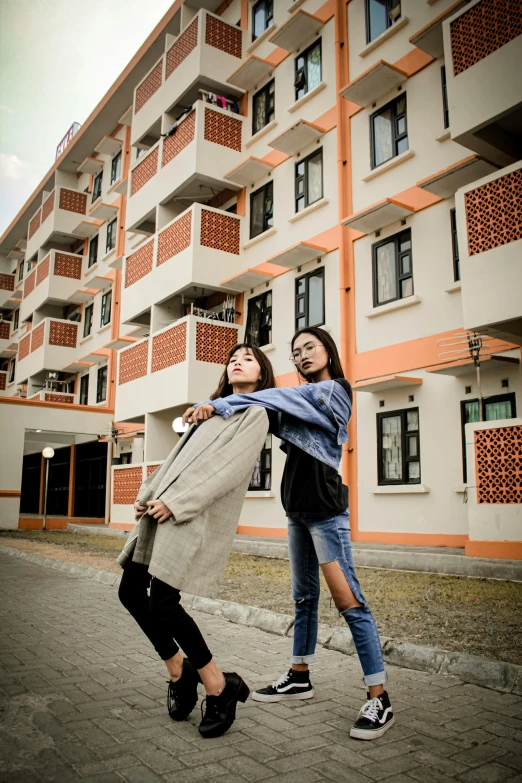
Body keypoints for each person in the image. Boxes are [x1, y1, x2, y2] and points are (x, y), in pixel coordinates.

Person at [183, 327, 394, 740]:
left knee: (349, 602)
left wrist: (219, 400)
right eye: (296, 352)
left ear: (327, 351)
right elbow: (261, 410)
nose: (302, 356)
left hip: (325, 512)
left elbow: (273, 398)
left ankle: (379, 696)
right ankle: (299, 675)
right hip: (297, 510)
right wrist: (220, 407)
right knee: (303, 599)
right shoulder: (293, 402)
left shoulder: (334, 391)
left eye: (309, 348)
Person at [118, 343, 274, 738]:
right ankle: (178, 670)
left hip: (190, 512)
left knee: (165, 604)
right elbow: (177, 457)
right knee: (131, 591)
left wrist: (177, 502)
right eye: (232, 358)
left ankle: (219, 684)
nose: (237, 361)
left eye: (248, 358)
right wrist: (147, 493)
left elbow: (227, 470)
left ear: (263, 373)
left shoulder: (255, 415)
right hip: (161, 507)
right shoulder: (211, 409)